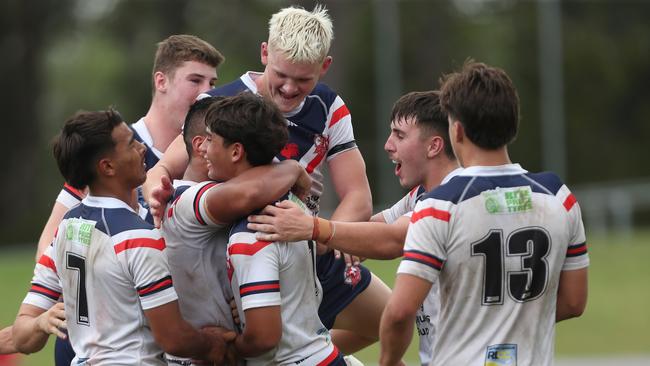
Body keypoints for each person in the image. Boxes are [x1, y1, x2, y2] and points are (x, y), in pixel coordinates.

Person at [144, 5, 388, 354]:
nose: (289, 89)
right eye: (281, 74)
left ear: (325, 67)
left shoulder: (329, 106)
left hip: (302, 246)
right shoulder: (217, 103)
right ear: (264, 54)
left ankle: (307, 352)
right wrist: (156, 191)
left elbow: (357, 197)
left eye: (303, 80)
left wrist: (323, 237)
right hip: (236, 256)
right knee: (254, 341)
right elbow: (161, 170)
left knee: (390, 317)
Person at [26, 35, 223, 365]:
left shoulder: (208, 156)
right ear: (161, 80)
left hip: (170, 332)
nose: (206, 92)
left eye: (213, 83)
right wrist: (70, 297)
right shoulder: (113, 151)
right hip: (107, 340)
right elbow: (53, 238)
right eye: (195, 80)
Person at [379, 61, 589, 366]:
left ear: (457, 129)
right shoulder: (559, 196)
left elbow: (399, 312)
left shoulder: (439, 206)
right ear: (512, 122)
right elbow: (573, 302)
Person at [247, 91, 460, 366]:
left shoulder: (448, 198)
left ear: (434, 146)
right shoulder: (423, 195)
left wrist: (312, 227)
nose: (387, 145)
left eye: (400, 135)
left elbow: (393, 240)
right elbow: (369, 231)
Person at [160, 96, 311, 365]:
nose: (204, 148)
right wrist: (292, 166)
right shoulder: (290, 209)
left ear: (235, 151)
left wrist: (229, 340)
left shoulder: (258, 224)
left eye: (211, 139)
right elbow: (247, 192)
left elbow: (264, 336)